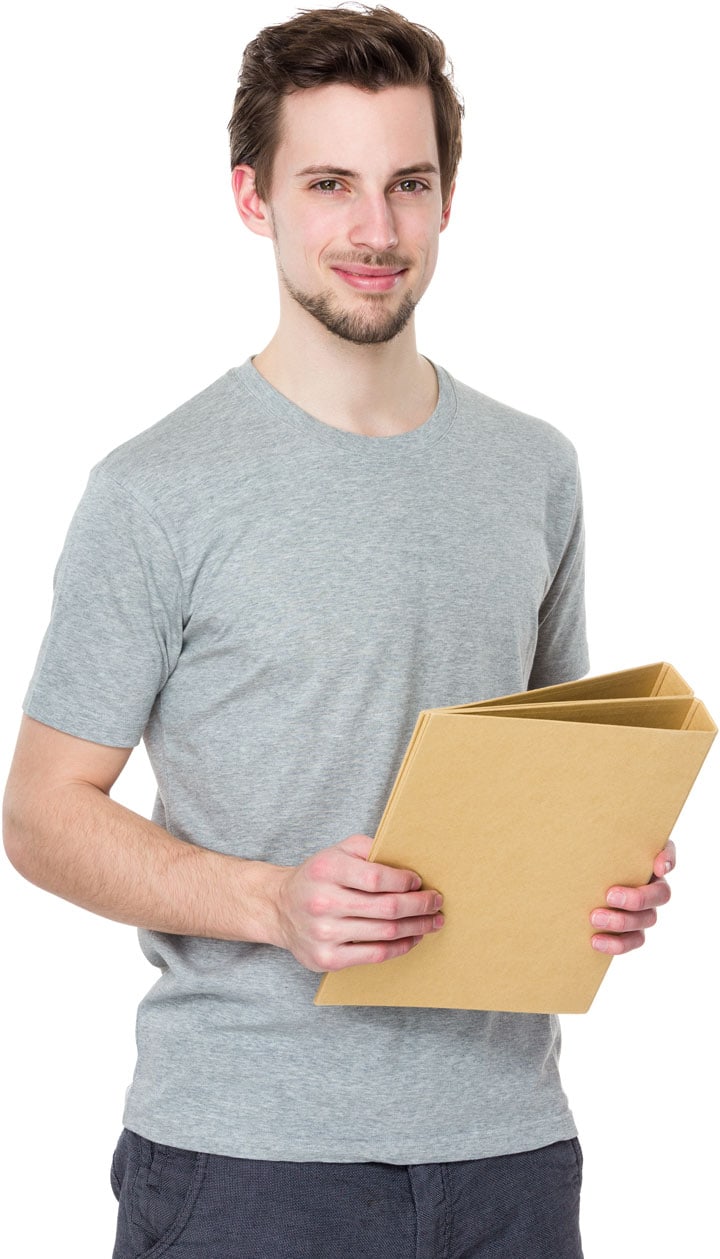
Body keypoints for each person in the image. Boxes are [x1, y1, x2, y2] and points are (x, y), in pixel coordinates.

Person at [2, 6, 674, 1257]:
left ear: (447, 199)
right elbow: (41, 812)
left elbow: (552, 783)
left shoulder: (535, 468)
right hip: (247, 1165)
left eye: (407, 184)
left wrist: (604, 880)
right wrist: (270, 901)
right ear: (254, 200)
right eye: (331, 185)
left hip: (512, 1154)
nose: (375, 231)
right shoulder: (156, 489)